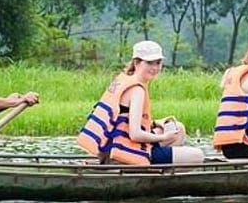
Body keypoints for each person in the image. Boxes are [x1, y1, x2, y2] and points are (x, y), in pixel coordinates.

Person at [77, 40, 205, 165]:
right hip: (125, 149)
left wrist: (155, 123)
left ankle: (152, 164)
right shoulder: (137, 90)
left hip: (111, 146)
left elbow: (123, 119)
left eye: (158, 63)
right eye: (149, 63)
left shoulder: (124, 79)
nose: (155, 68)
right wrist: (163, 137)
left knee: (178, 129)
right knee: (198, 155)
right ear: (137, 62)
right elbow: (135, 134)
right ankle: (140, 164)